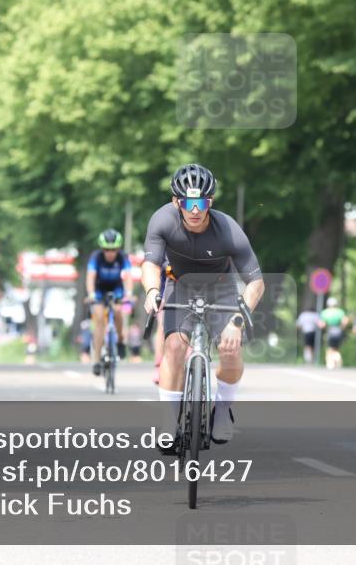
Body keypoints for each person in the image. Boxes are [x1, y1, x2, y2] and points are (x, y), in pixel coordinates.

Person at [142, 163, 264, 446]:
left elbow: (256, 283)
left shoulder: (228, 230)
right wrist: (151, 291)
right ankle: (168, 420)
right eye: (187, 202)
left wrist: (237, 320)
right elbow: (149, 264)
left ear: (210, 202)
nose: (195, 210)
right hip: (179, 285)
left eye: (201, 202)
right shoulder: (162, 220)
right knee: (173, 346)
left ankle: (222, 411)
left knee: (230, 351)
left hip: (221, 288)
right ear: (176, 202)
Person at [86, 228, 133, 376]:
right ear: (102, 249)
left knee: (118, 311)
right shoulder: (96, 257)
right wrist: (92, 294)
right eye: (107, 249)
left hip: (116, 288)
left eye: (113, 250)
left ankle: (120, 341)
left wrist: (129, 294)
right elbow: (90, 277)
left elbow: (128, 276)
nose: (110, 253)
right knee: (99, 319)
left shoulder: (123, 257)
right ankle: (97, 359)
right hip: (99, 289)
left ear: (118, 249)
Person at [319, 297, 349, 370]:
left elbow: (322, 324)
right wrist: (342, 328)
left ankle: (330, 363)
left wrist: (323, 326)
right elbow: (345, 321)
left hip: (330, 331)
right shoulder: (340, 312)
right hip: (339, 331)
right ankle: (337, 358)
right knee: (336, 348)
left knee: (330, 348)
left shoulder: (325, 312)